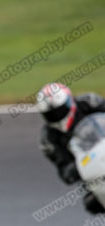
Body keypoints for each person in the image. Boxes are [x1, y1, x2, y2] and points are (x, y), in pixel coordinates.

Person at [37, 83, 105, 213]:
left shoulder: (90, 102)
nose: (57, 116)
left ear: (70, 101)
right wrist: (75, 168)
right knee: (91, 204)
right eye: (51, 114)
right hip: (93, 171)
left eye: (60, 110)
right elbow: (65, 172)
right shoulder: (48, 139)